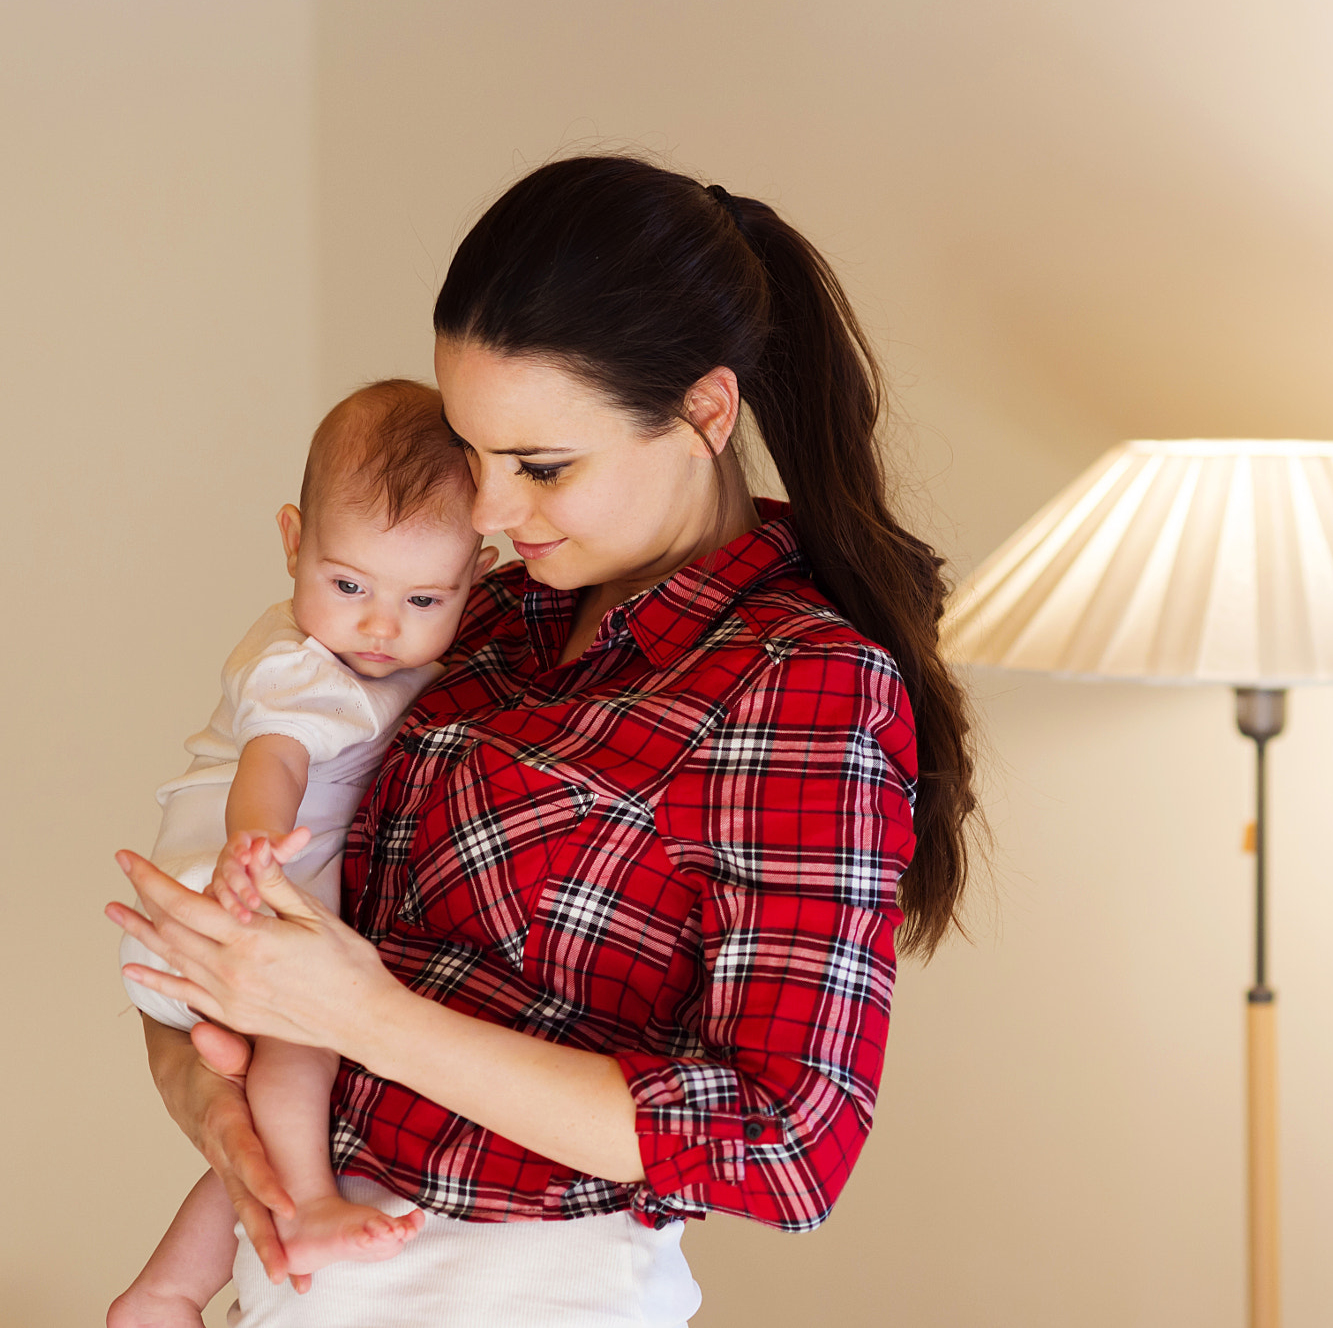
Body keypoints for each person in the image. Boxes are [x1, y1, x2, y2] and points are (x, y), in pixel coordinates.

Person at [108, 154, 977, 1326]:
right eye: (473, 453)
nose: (492, 512)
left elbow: (788, 1145)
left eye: (543, 466)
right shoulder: (477, 618)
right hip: (302, 1267)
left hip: (519, 1282)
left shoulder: (801, 682)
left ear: (703, 414)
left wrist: (360, 1016)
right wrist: (213, 1103)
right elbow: (275, 936)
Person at [111, 380, 500, 1327]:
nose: (379, 625)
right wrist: (255, 858)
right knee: (311, 1052)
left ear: (473, 576)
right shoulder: (299, 666)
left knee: (283, 1120)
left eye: (423, 598)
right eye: (349, 584)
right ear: (293, 543)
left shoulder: (387, 646)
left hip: (207, 927)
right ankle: (315, 1210)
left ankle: (164, 1291)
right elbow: (273, 764)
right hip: (228, 896)